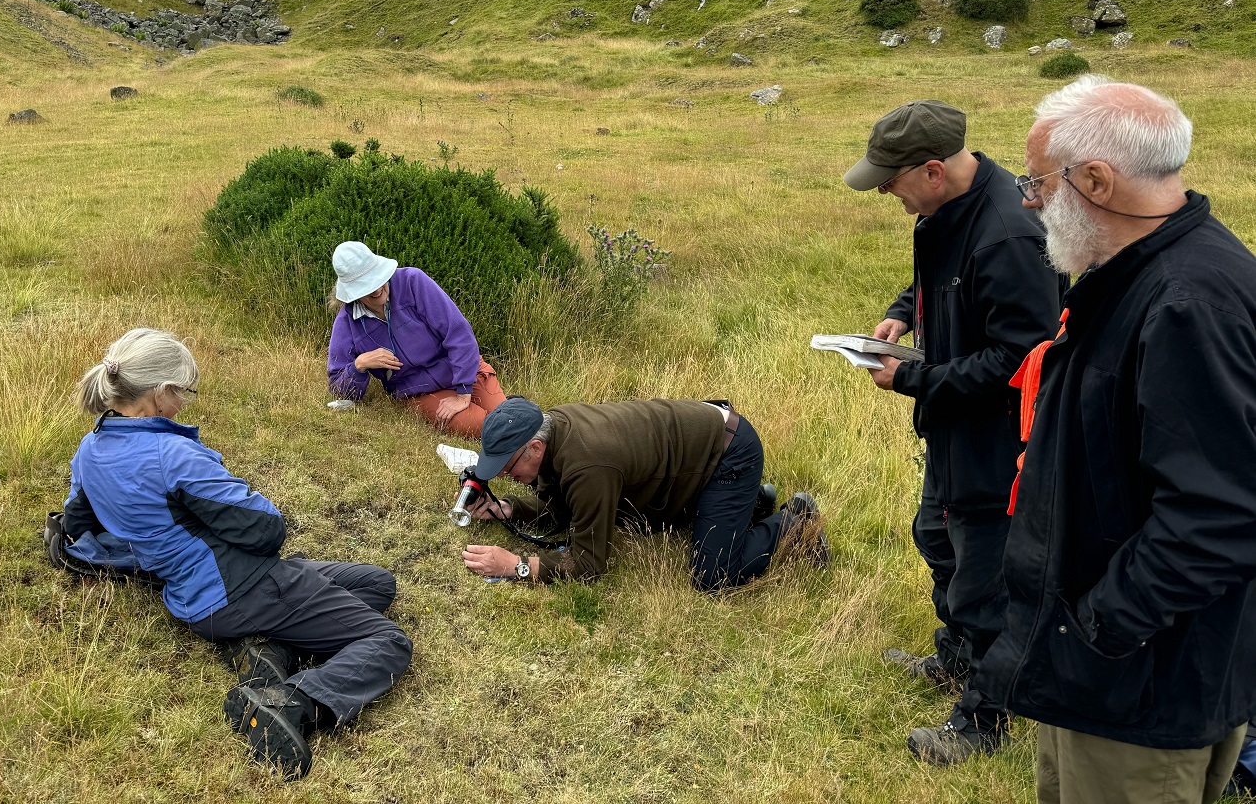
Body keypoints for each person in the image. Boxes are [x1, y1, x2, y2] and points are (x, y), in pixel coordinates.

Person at [975, 77, 1256, 804]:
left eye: (1035, 182)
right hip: (1100, 670)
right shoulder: (1129, 275)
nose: (1029, 202)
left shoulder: (1188, 304)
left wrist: (1097, 629)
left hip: (1139, 686)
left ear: (1095, 179)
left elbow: (1218, 516)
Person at [63, 327, 412, 781]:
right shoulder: (172, 454)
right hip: (246, 588)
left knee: (376, 583)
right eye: (183, 393)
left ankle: (270, 649)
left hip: (193, 597)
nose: (184, 403)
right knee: (389, 643)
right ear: (161, 392)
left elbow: (77, 523)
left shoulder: (89, 450)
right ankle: (291, 702)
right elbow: (266, 529)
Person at [844, 99, 1064, 764]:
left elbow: (1020, 359)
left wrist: (912, 378)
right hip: (952, 429)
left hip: (998, 443)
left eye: (891, 180)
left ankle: (982, 721)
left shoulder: (1007, 231)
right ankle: (959, 658)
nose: (885, 191)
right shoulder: (949, 213)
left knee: (986, 585)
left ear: (933, 170)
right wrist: (901, 312)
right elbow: (940, 278)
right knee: (936, 538)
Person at [459, 396, 827, 590]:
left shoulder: (589, 465)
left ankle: (794, 521)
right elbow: (564, 509)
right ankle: (752, 503)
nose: (508, 475)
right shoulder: (553, 428)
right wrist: (509, 509)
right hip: (690, 460)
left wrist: (516, 566)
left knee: (713, 577)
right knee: (646, 521)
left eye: (509, 466)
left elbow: (589, 565)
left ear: (535, 449)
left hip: (728, 454)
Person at [327, 241, 505, 438]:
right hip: (418, 391)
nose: (377, 289)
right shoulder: (346, 322)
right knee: (480, 425)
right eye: (366, 286)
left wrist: (463, 391)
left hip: (466, 371)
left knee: (507, 419)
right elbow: (338, 389)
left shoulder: (413, 281)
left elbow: (458, 333)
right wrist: (360, 364)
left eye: (377, 278)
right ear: (352, 292)